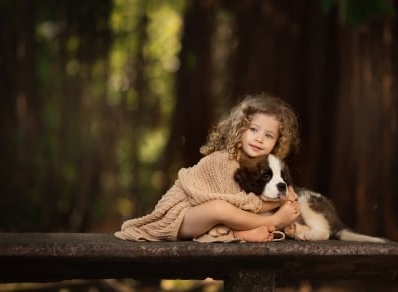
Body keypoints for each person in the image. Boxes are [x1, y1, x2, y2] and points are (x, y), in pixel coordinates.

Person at [114, 93, 301, 243]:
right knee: (220, 209)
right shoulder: (225, 160)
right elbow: (238, 206)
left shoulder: (262, 168)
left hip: (210, 222)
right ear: (239, 128)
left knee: (225, 212)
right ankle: (268, 225)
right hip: (181, 216)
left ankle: (239, 234)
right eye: (253, 129)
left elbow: (245, 208)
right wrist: (278, 206)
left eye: (269, 135)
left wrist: (285, 198)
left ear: (277, 143)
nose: (259, 138)